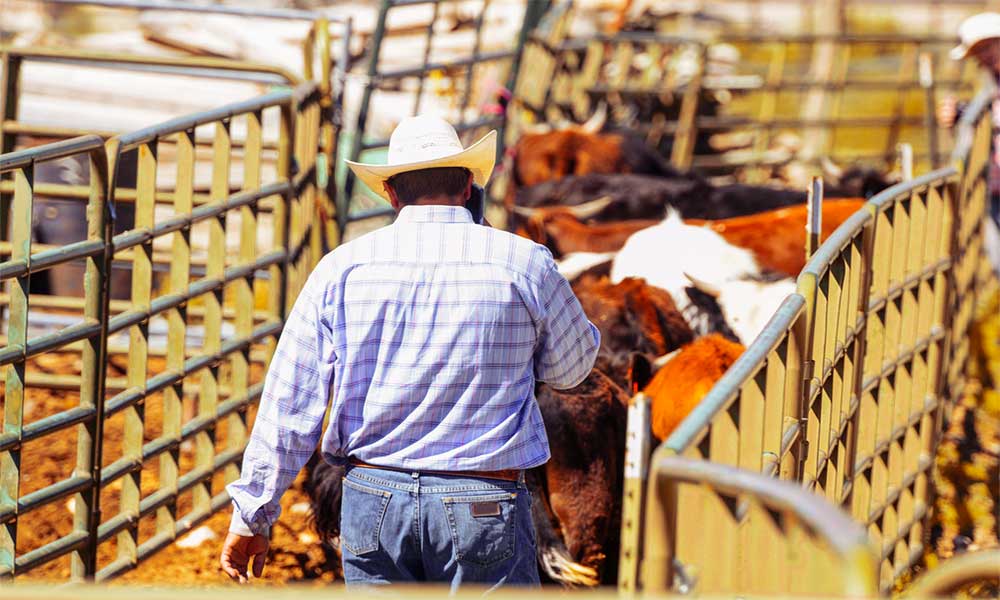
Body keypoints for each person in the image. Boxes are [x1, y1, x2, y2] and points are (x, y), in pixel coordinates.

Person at [219, 115, 601, 590]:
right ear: (467, 187)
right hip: (483, 499)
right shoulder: (524, 262)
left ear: (392, 195)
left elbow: (290, 401)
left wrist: (252, 514)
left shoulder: (341, 268)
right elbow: (572, 369)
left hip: (373, 499)